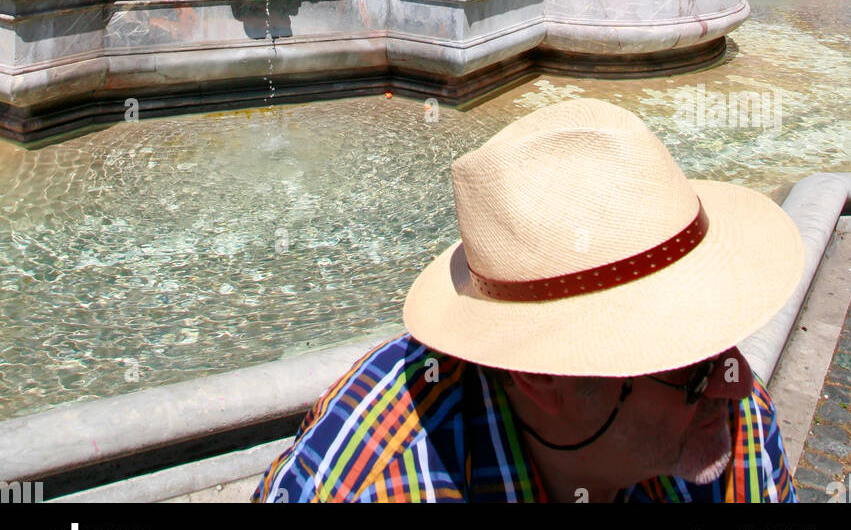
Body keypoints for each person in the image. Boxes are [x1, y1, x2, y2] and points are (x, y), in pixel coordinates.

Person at [254, 99, 803, 504]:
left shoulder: (736, 425)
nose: (735, 377)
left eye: (717, 332)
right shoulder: (370, 485)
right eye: (689, 361)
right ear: (542, 378)